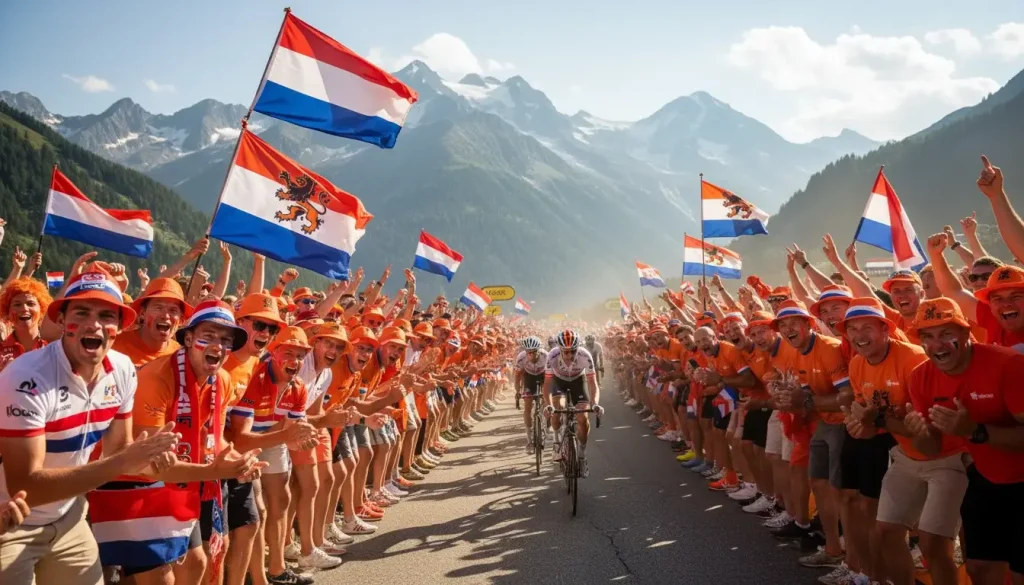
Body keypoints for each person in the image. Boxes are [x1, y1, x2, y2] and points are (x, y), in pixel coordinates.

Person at [0, 269, 180, 585]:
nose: (93, 324)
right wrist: (125, 462)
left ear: (119, 327)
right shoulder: (26, 378)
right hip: (10, 524)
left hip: (69, 517)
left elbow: (118, 450)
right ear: (61, 322)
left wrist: (148, 460)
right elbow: (26, 486)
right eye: (81, 312)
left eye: (106, 315)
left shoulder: (122, 369)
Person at [91, 299, 265, 584]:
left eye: (225, 340)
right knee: (161, 576)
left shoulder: (221, 379)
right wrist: (215, 471)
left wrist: (238, 462)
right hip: (130, 479)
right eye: (208, 336)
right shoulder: (156, 378)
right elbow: (145, 463)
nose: (218, 346)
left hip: (181, 479)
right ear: (188, 338)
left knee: (196, 564)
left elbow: (215, 440)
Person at [905, 298, 1024, 585]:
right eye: (928, 336)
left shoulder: (1010, 365)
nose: (938, 345)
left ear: (965, 333)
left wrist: (976, 431)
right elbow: (931, 448)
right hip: (987, 477)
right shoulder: (921, 377)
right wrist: (919, 434)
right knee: (979, 567)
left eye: (946, 334)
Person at [228, 326, 320, 585]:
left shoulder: (298, 386)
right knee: (258, 510)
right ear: (273, 351)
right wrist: (288, 436)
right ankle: (258, 577)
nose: (295, 361)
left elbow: (294, 431)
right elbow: (240, 438)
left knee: (282, 498)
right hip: (242, 445)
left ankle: (277, 569)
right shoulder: (256, 377)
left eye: (301, 356)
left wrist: (305, 437)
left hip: (272, 438)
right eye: (288, 353)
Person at [542, 330, 603, 478]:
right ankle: (556, 442)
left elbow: (592, 383)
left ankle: (581, 457)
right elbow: (547, 384)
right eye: (566, 352)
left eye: (573, 351)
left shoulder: (585, 356)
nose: (570, 355)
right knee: (557, 407)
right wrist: (548, 405)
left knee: (583, 418)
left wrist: (594, 404)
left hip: (578, 381)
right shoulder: (552, 356)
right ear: (560, 349)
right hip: (558, 381)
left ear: (578, 348)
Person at [0, 277, 51, 371]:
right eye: (17, 304)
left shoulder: (53, 348)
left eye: (30, 304)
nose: (24, 308)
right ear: (8, 311)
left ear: (42, 309)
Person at [514, 336, 548, 453]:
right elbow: (517, 377)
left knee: (546, 398)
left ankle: (544, 418)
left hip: (543, 377)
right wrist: (517, 392)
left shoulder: (546, 356)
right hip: (529, 378)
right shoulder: (521, 358)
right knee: (527, 406)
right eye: (529, 353)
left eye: (534, 352)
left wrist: (548, 395)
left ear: (539, 350)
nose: (531, 355)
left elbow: (551, 377)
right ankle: (529, 441)